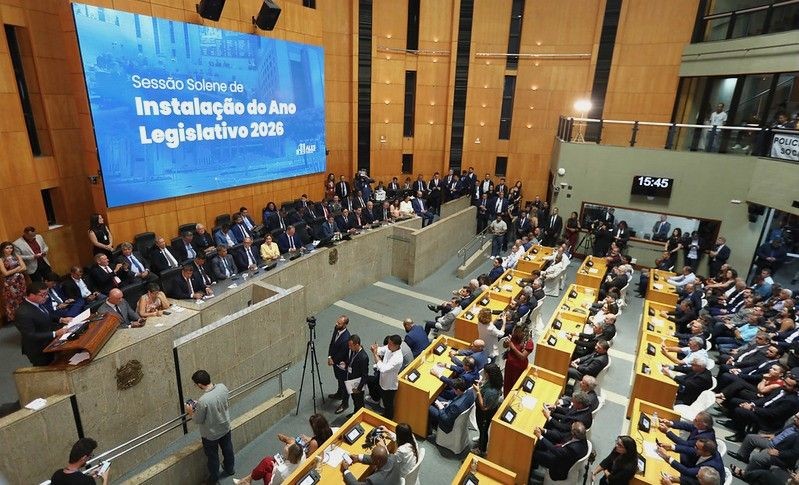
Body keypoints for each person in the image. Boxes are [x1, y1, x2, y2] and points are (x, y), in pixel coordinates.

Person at [185, 369, 234, 484]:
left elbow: (198, 420)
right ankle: (230, 468)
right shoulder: (222, 387)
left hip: (211, 434)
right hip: (225, 426)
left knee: (213, 458)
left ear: (199, 385)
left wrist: (190, 412)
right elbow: (220, 401)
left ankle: (214, 479)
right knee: (228, 449)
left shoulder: (203, 401)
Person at [728, 412, 799, 479]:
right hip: (772, 442)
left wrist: (779, 453)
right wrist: (773, 435)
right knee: (750, 438)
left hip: (780, 454)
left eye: (797, 418)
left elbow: (795, 453)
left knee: (757, 458)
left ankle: (746, 475)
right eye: (795, 417)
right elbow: (782, 431)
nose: (794, 419)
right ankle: (742, 456)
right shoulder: (793, 424)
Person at [15, 282, 70, 366]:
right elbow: (30, 335)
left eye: (47, 293)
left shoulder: (37, 302)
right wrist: (55, 333)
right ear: (31, 295)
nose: (47, 297)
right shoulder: (23, 313)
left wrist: (61, 319)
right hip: (38, 349)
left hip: (48, 340)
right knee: (48, 370)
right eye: (43, 294)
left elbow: (45, 314)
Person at [656, 437, 724, 484]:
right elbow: (693, 482)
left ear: (706, 452)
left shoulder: (711, 467)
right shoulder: (710, 451)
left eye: (697, 448)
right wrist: (675, 479)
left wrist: (666, 457)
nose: (694, 448)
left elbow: (688, 472)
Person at [232, 442, 303, 485]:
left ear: (289, 455)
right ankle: (247, 480)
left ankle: (246, 480)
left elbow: (272, 482)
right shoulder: (302, 456)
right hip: (286, 473)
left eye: (288, 448)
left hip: (277, 480)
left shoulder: (282, 470)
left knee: (266, 463)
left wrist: (274, 468)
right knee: (269, 460)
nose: (287, 446)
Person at [368, 334, 404, 419]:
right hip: (383, 380)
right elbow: (380, 350)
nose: (388, 345)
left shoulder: (398, 358)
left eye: (390, 344)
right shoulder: (389, 347)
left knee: (388, 405)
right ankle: (384, 413)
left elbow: (383, 368)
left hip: (389, 386)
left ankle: (388, 418)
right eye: (388, 343)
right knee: (384, 401)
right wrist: (376, 349)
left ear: (397, 346)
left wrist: (375, 355)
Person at [472, 363, 504, 456]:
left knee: (483, 430)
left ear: (488, 374)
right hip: (486, 409)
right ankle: (481, 439)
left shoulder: (492, 392)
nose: (484, 374)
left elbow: (484, 407)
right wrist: (481, 385)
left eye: (485, 372)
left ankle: (481, 449)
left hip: (485, 413)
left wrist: (478, 392)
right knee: (481, 429)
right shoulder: (495, 381)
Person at [338, 334, 369, 415]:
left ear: (357, 345)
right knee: (354, 400)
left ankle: (361, 416)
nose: (349, 347)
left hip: (357, 384)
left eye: (351, 345)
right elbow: (351, 361)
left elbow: (364, 375)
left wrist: (359, 388)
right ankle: (355, 413)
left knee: (359, 402)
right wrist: (346, 364)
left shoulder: (363, 357)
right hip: (351, 380)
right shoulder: (353, 350)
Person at [503, 324, 535, 395]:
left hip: (519, 367)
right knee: (507, 383)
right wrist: (506, 343)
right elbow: (504, 346)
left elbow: (522, 357)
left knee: (516, 385)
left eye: (518, 332)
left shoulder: (529, 342)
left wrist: (512, 346)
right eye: (515, 331)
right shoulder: (514, 336)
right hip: (509, 365)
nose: (516, 333)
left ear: (523, 332)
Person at [327, 315, 351, 402]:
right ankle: (339, 394)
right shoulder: (336, 328)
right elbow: (332, 343)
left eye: (339, 323)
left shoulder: (346, 338)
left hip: (342, 364)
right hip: (334, 361)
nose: (336, 324)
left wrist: (332, 361)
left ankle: (344, 402)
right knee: (338, 379)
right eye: (337, 322)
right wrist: (329, 356)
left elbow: (342, 354)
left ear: (345, 325)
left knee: (343, 382)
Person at [1, 241, 26, 321]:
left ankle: (26, 315)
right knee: (13, 300)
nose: (9, 250)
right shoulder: (1, 259)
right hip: (10, 283)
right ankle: (17, 317)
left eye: (11, 248)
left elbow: (24, 268)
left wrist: (11, 271)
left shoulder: (16, 256)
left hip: (20, 281)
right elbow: (5, 273)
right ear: (2, 249)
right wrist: (17, 269)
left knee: (22, 297)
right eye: (7, 248)